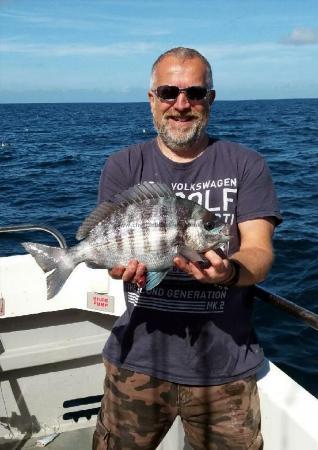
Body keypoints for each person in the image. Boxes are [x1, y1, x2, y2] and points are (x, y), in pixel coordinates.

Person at [92, 47, 282, 450]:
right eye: (168, 92)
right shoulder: (123, 166)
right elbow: (113, 254)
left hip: (226, 371)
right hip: (136, 361)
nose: (181, 105)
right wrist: (118, 268)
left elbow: (259, 253)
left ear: (210, 99)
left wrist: (230, 272)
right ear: (152, 99)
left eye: (195, 93)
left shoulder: (247, 165)